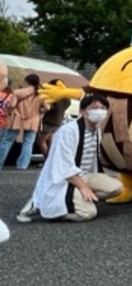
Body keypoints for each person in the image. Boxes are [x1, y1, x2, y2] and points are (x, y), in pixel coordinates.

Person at [16, 93, 122, 223]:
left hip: (85, 175)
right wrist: (83, 187)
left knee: (116, 187)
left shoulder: (97, 131)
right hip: (65, 179)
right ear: (82, 111)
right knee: (88, 213)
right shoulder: (68, 131)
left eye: (103, 108)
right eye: (94, 108)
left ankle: (77, 198)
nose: (99, 111)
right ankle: (49, 208)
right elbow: (63, 166)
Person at [0, 74, 47, 170]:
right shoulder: (41, 94)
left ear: (26, 82)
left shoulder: (18, 92)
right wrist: (39, 111)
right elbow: (47, 107)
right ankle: (22, 165)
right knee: (28, 143)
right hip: (33, 120)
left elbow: (12, 105)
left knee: (7, 141)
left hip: (17, 119)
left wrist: (9, 110)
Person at [38, 78, 70, 161]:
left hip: (49, 121)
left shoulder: (54, 97)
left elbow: (48, 107)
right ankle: (51, 159)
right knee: (51, 141)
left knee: (41, 141)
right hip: (58, 121)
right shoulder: (66, 97)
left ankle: (48, 159)